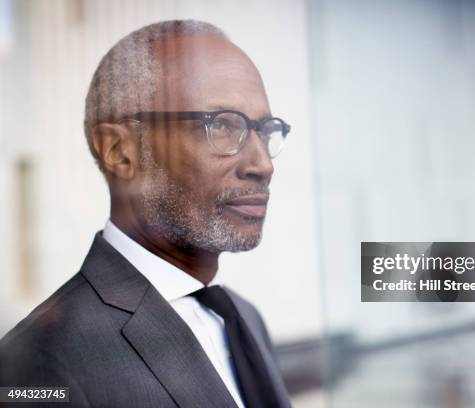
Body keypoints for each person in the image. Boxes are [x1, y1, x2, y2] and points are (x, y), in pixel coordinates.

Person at [0, 20, 292, 408]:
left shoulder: (242, 317)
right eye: (222, 125)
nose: (262, 164)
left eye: (265, 130)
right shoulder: (39, 361)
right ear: (120, 151)